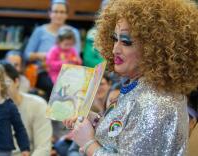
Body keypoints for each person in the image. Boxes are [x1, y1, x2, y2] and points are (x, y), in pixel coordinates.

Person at [63, 0, 198, 155]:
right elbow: (126, 132)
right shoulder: (142, 86)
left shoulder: (155, 101)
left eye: (126, 42)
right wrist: (96, 121)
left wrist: (89, 144)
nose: (115, 49)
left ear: (154, 48)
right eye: (115, 39)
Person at [24, 0, 81, 99]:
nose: (58, 15)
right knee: (54, 87)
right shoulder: (40, 31)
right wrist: (42, 56)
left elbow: (76, 55)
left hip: (67, 72)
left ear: (67, 14)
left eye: (62, 12)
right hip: (44, 71)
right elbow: (27, 54)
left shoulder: (74, 32)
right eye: (55, 11)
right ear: (50, 13)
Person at [0, 60, 53, 156]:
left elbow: (43, 147)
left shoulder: (37, 105)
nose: (2, 89)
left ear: (16, 82)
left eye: (6, 83)